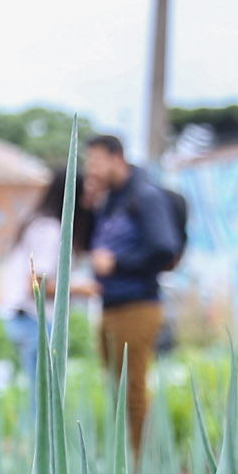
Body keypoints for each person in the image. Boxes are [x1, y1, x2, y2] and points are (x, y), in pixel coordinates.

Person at [80, 134, 183, 454]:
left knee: (134, 392)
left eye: (96, 161)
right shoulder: (111, 199)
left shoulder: (144, 195)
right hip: (110, 305)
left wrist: (118, 263)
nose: (92, 170)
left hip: (137, 305)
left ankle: (146, 471)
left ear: (117, 158)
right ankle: (128, 461)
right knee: (118, 391)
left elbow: (165, 249)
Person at [1, 167, 68, 408]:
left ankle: (34, 443)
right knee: (43, 400)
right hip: (34, 319)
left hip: (23, 318)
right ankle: (37, 446)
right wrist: (87, 289)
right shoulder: (48, 228)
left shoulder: (37, 222)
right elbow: (38, 285)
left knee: (38, 395)